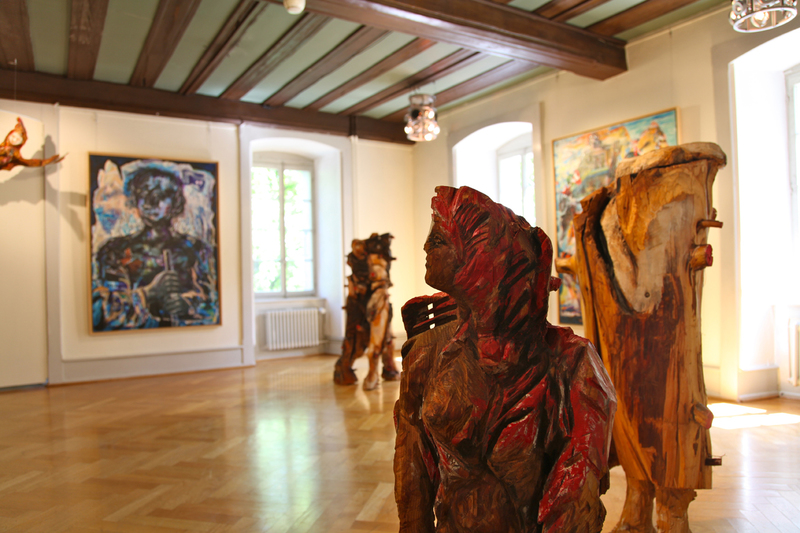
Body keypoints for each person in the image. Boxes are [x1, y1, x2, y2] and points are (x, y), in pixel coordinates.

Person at [394, 186, 616, 532]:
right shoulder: (427, 352)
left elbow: (575, 500)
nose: (425, 247)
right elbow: (413, 469)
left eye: (438, 240)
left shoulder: (571, 363)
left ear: (479, 257)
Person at [92, 162, 218, 330]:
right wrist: (150, 293)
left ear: (175, 202)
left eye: (160, 195)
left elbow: (214, 305)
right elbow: (105, 314)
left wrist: (188, 306)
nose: (151, 202)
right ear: (135, 200)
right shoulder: (114, 251)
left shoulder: (196, 249)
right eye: (144, 194)